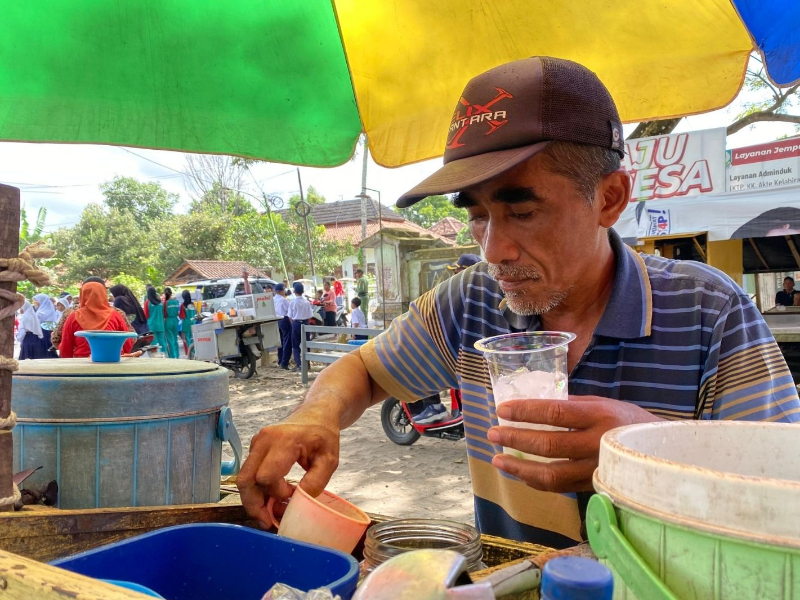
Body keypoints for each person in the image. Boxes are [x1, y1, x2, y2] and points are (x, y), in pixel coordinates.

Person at [236, 56, 800, 549]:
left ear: (610, 198)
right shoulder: (470, 302)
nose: (494, 249)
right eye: (478, 215)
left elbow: (785, 490)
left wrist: (651, 452)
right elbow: (362, 369)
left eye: (522, 211)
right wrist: (316, 414)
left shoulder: (708, 312)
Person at [414, 253, 485, 424]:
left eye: (458, 271)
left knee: (427, 362)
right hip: (470, 351)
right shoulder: (478, 295)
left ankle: (434, 407)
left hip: (465, 354)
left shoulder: (463, 294)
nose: (455, 276)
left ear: (467, 272)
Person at [59, 282, 135, 358]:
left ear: (82, 295)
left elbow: (65, 348)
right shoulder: (116, 315)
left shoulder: (73, 317)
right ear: (103, 295)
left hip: (83, 364)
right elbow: (127, 343)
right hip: (112, 361)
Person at [287, 282, 313, 372]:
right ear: (303, 291)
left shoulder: (292, 303)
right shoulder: (307, 302)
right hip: (305, 323)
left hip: (296, 323)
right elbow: (310, 315)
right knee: (306, 344)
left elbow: (290, 316)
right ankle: (307, 364)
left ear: (294, 291)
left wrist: (294, 323)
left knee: (295, 345)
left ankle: (299, 364)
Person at [32, 293, 60, 358]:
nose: (35, 302)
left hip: (43, 333)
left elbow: (37, 323)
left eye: (36, 300)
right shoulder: (49, 310)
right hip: (47, 332)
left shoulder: (42, 312)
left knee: (44, 350)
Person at [143, 286, 167, 356]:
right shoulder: (161, 303)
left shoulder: (147, 303)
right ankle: (165, 356)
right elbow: (164, 313)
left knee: (154, 342)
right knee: (162, 342)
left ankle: (155, 357)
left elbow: (146, 315)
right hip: (161, 325)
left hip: (152, 326)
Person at [273, 283, 291, 369]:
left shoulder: (273, 299)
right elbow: (290, 311)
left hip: (276, 320)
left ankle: (280, 360)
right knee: (287, 341)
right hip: (284, 319)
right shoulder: (284, 300)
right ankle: (284, 363)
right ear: (281, 291)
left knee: (280, 342)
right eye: (283, 290)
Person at [163, 287, 181, 359]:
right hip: (175, 320)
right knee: (175, 339)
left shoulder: (165, 303)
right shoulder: (176, 301)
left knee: (170, 340)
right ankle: (177, 355)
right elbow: (178, 312)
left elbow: (164, 313)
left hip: (168, 321)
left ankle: (172, 356)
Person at [180, 290, 197, 356]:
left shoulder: (183, 305)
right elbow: (195, 313)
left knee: (187, 340)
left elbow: (182, 316)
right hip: (193, 323)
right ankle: (195, 352)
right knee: (194, 339)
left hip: (186, 324)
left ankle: (190, 353)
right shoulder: (193, 304)